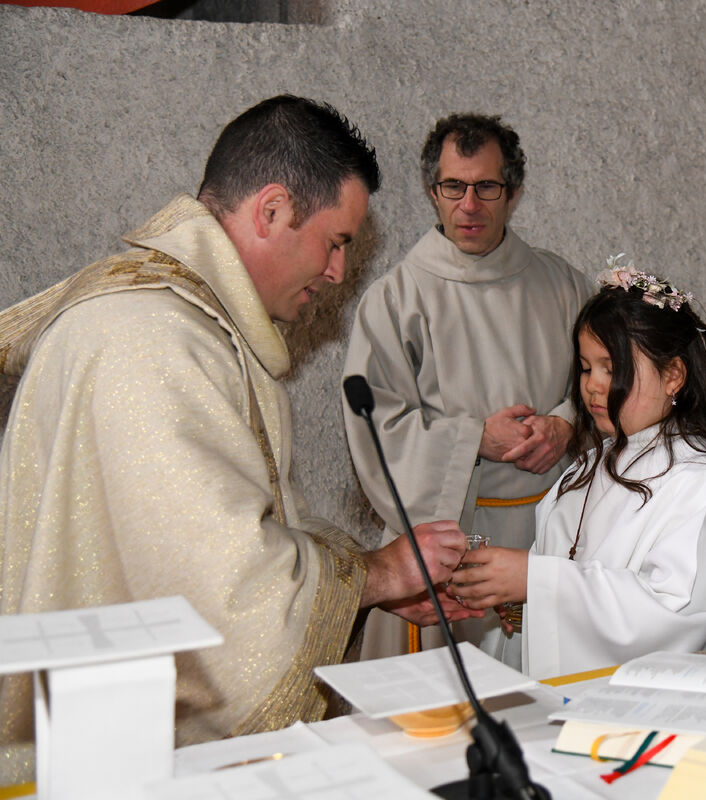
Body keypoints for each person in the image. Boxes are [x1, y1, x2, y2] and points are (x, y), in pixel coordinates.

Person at [0, 95, 475, 784]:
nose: (339, 272)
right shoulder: (152, 342)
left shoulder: (186, 326)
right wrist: (377, 574)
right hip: (110, 766)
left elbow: (246, 529)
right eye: (336, 242)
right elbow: (225, 588)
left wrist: (370, 586)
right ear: (272, 210)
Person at [342, 113, 592, 667]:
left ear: (514, 193)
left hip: (550, 540)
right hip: (447, 546)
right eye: (453, 186)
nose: (469, 205)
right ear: (432, 192)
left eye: (487, 187)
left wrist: (567, 424)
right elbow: (375, 429)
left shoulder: (565, 287)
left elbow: (607, 384)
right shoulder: (396, 300)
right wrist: (474, 438)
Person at [449, 258, 706, 679]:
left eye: (612, 368)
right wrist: (526, 605)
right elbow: (561, 565)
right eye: (585, 367)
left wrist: (537, 582)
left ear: (673, 375)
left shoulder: (699, 484)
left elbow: (673, 614)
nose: (592, 385)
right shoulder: (588, 466)